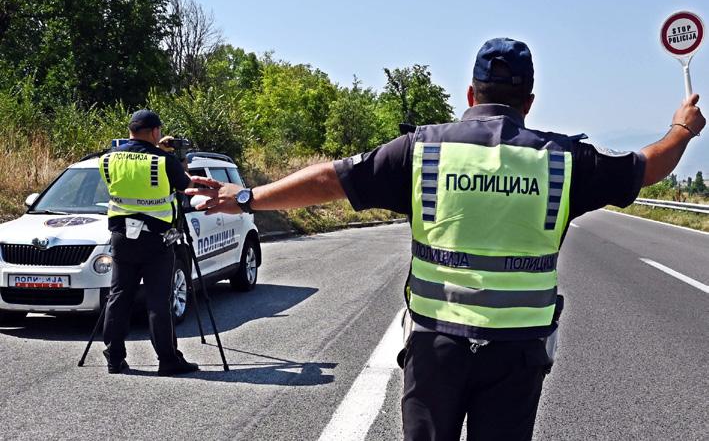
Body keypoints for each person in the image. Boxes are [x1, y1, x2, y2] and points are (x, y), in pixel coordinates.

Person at [185, 38, 705, 439]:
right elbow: (645, 167)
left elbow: (331, 179)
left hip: (437, 347)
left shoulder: (424, 150)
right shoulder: (562, 161)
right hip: (518, 352)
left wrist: (246, 197)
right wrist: (682, 128)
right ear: (528, 101)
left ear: (471, 95)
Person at [99, 109, 199, 376]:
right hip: (156, 239)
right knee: (158, 301)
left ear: (130, 130)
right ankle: (168, 360)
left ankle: (114, 358)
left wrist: (156, 149)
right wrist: (177, 157)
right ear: (155, 132)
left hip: (121, 237)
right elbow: (186, 187)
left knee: (119, 297)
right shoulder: (164, 161)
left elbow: (130, 173)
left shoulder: (108, 158)